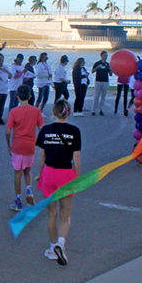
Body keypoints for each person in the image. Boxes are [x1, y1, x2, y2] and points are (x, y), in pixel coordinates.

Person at [34, 100, 82, 266]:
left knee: (51, 213)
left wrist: (39, 174)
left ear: (53, 113)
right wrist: (78, 176)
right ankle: (61, 243)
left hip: (49, 173)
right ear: (68, 113)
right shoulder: (74, 131)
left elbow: (42, 156)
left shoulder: (46, 130)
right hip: (66, 174)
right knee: (65, 213)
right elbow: (76, 157)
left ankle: (53, 247)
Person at [7, 85, 43, 211]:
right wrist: (39, 142)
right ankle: (29, 189)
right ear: (30, 96)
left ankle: (18, 200)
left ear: (17, 96)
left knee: (17, 172)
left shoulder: (14, 112)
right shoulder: (36, 111)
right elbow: (41, 128)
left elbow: (8, 131)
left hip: (17, 144)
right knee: (27, 170)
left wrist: (9, 145)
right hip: (30, 144)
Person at [91, 51, 111, 115]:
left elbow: (110, 74)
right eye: (105, 55)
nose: (106, 57)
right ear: (101, 56)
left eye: (106, 56)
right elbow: (92, 71)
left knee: (103, 96)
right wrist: (97, 67)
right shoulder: (97, 63)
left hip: (105, 81)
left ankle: (101, 109)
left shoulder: (107, 64)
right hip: (98, 81)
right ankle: (94, 110)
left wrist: (111, 69)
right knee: (96, 96)